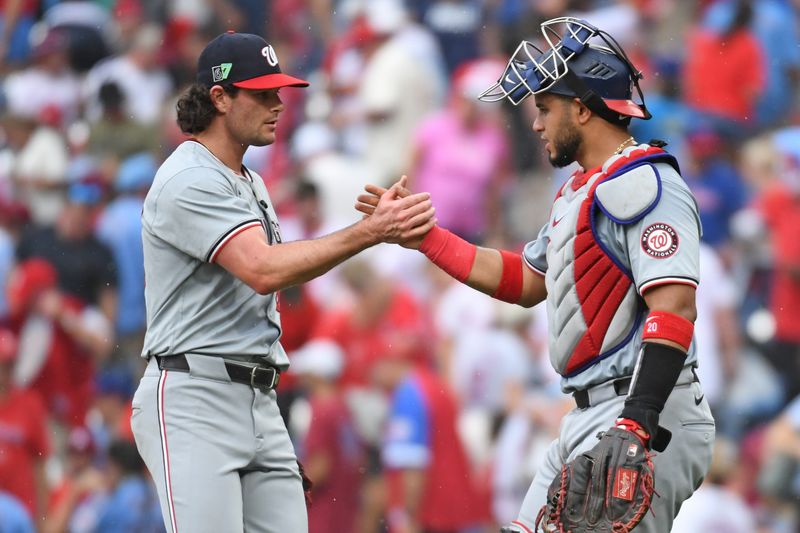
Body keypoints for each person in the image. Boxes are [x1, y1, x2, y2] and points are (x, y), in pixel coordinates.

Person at [358, 17, 715, 533]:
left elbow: (675, 307)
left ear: (582, 108)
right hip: (589, 415)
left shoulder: (647, 182)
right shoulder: (580, 191)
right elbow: (527, 281)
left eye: (545, 108)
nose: (536, 123)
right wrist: (426, 238)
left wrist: (635, 424)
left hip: (645, 413)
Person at [129, 31, 435, 533]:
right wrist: (369, 232)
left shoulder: (251, 180)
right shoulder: (189, 177)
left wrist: (366, 232)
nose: (278, 104)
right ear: (220, 97)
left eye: (279, 92)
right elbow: (262, 269)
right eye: (262, 93)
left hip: (257, 394)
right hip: (195, 393)